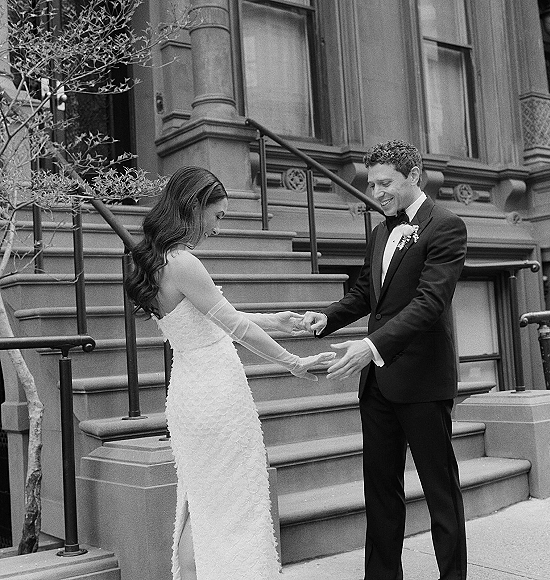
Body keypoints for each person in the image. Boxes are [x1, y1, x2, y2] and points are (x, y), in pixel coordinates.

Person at [124, 166, 335, 580]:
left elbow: (214, 318)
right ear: (195, 206)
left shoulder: (157, 262)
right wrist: (294, 362)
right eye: (217, 216)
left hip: (190, 390)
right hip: (214, 395)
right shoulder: (184, 262)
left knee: (201, 506)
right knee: (230, 508)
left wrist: (277, 320)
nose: (218, 228)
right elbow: (234, 327)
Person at [302, 140, 468, 580]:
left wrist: (371, 346)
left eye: (385, 183)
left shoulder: (446, 226)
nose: (376, 192)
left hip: (422, 383)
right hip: (377, 385)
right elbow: (365, 294)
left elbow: (429, 302)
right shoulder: (380, 231)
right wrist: (327, 318)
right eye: (372, 183)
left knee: (440, 494)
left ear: (414, 175)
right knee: (379, 494)